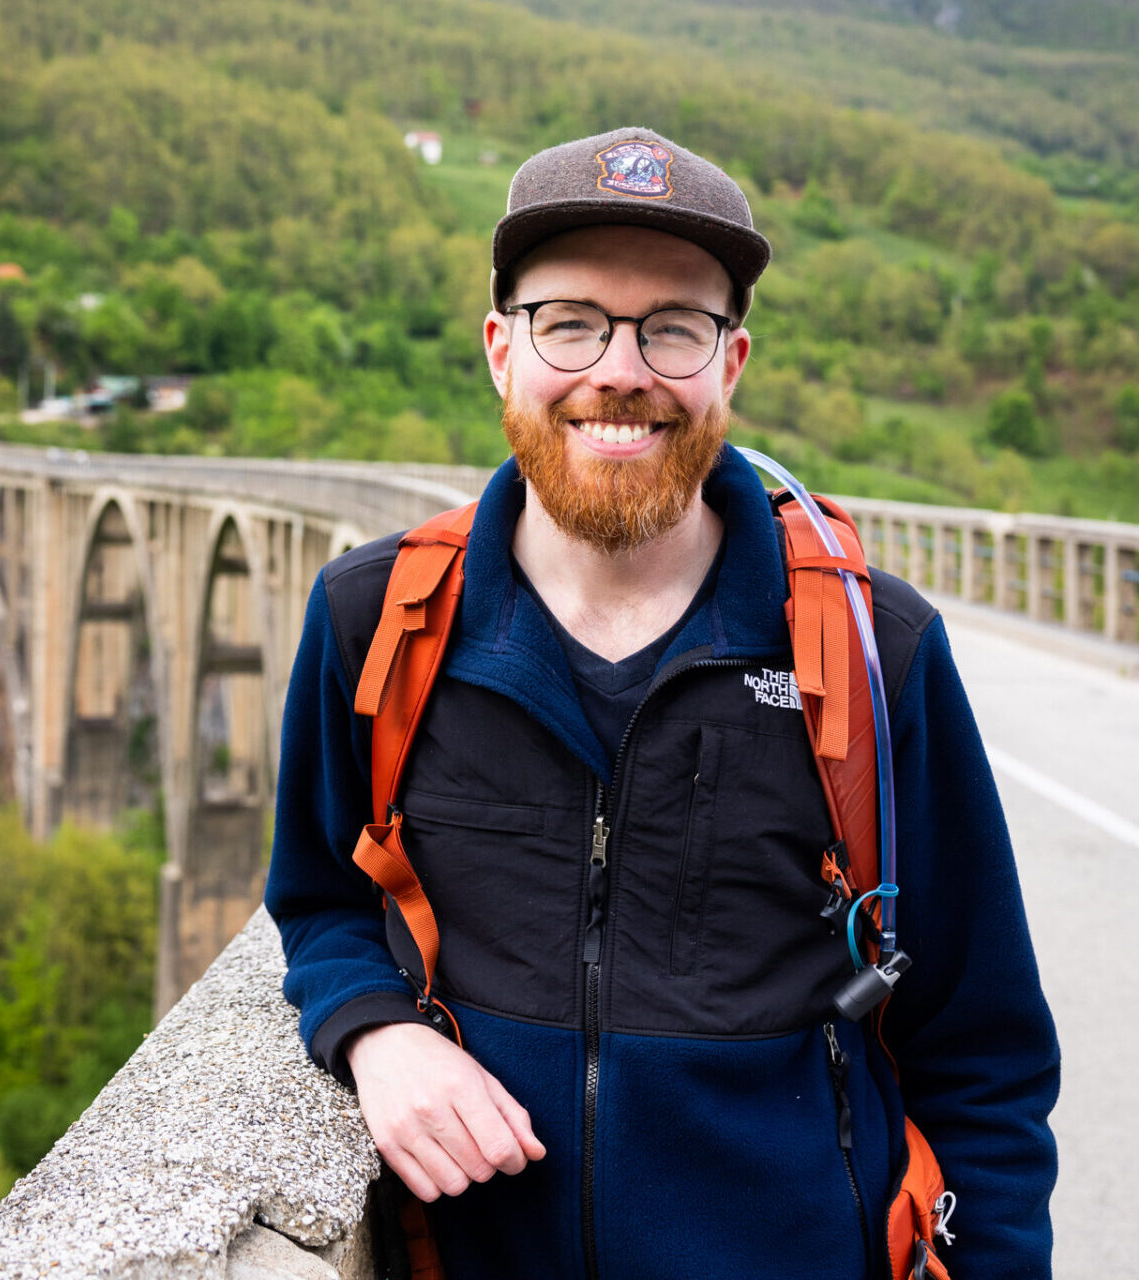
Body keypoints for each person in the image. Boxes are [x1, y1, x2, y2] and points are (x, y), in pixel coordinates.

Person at [265, 127, 1059, 1279]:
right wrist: (374, 1028)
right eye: (571, 320)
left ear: (728, 363)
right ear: (501, 349)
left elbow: (979, 1053)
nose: (620, 369)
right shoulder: (375, 618)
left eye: (672, 326)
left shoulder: (874, 648)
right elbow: (319, 894)